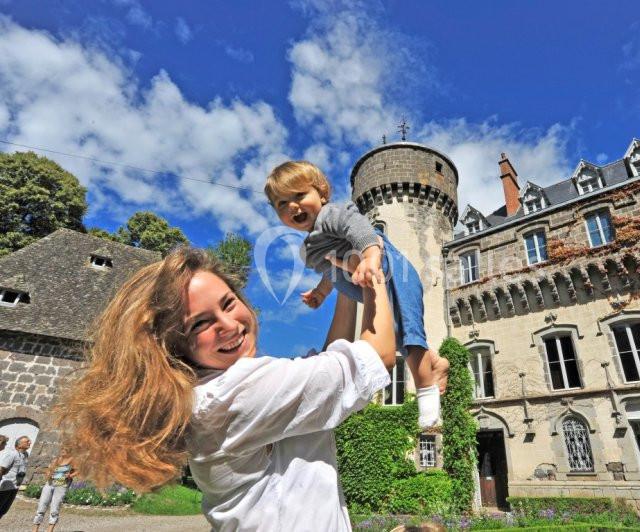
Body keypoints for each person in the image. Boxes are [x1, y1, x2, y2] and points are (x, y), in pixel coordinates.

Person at [58, 247, 397, 531]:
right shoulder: (234, 394)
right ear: (175, 345)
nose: (229, 325)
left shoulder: (204, 396)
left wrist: (342, 283)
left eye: (229, 302)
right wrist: (371, 270)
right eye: (200, 323)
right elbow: (377, 358)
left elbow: (331, 367)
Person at [265, 160, 449, 427]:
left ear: (322, 193)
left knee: (409, 330)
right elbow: (333, 271)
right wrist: (320, 293)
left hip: (392, 270)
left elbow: (361, 230)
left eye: (299, 195)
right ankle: (436, 362)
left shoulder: (331, 216)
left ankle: (426, 388)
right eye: (282, 203)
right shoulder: (309, 248)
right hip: (367, 282)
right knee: (398, 335)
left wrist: (370, 258)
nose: (292, 206)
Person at [32, 451, 76, 532]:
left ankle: (50, 530)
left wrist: (70, 476)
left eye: (65, 449)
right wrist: (48, 473)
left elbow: (79, 471)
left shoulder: (73, 461)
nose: (62, 451)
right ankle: (35, 530)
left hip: (61, 486)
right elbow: (49, 470)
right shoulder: (56, 460)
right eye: (62, 449)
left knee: (55, 508)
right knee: (42, 505)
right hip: (49, 483)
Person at [0, 435, 31, 520]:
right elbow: (2, 468)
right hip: (6, 486)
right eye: (27, 441)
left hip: (15, 486)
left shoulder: (25, 455)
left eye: (29, 441)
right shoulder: (12, 454)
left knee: (4, 510)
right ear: (19, 444)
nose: (29, 443)